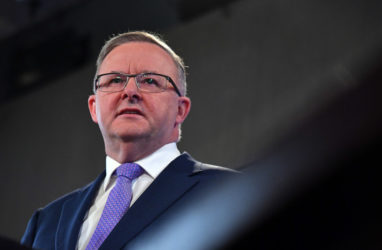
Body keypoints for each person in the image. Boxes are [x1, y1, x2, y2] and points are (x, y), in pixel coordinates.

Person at [21, 31, 236, 250]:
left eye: (150, 81)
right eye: (115, 80)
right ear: (94, 108)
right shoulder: (46, 222)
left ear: (180, 110)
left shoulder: (226, 192)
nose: (130, 91)